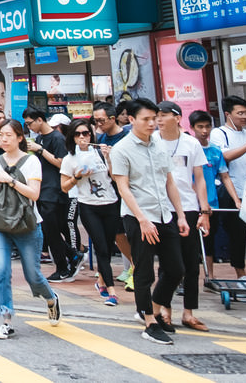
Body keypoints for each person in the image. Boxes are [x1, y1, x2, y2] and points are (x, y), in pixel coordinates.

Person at [110, 97, 189, 347]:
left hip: (164, 215)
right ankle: (149, 322)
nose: (152, 123)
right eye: (146, 119)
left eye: (154, 118)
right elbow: (123, 188)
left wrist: (181, 215)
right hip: (137, 217)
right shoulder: (121, 149)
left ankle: (153, 309)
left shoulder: (158, 145)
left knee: (176, 269)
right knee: (144, 272)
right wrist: (143, 220)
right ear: (131, 120)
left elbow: (169, 182)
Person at [0, 118, 62, 339]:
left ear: (20, 137)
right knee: (1, 271)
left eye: (9, 135)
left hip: (27, 224)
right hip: (0, 224)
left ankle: (50, 298)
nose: (4, 139)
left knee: (33, 275)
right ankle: (6, 319)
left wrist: (10, 181)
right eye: (1, 135)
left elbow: (34, 194)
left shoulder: (31, 162)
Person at [155, 101, 211, 330]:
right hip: (162, 210)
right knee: (168, 264)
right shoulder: (152, 142)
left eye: (163, 115)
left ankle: (188, 313)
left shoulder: (191, 144)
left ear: (177, 118)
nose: (158, 119)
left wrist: (204, 210)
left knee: (191, 264)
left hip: (187, 207)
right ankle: (164, 310)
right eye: (156, 115)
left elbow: (199, 178)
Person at [62, 119, 121, 307]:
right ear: (72, 137)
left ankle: (101, 282)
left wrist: (110, 157)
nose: (82, 137)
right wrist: (76, 177)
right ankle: (111, 292)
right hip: (88, 205)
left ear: (91, 135)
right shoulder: (69, 158)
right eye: (77, 134)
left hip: (110, 203)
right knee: (101, 248)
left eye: (85, 133)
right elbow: (64, 187)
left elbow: (114, 178)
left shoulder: (100, 153)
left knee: (108, 247)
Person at [22, 107, 75, 282]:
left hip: (54, 191)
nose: (29, 127)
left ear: (39, 119)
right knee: (49, 230)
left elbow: (62, 164)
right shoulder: (39, 138)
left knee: (51, 230)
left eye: (30, 123)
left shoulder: (57, 138)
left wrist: (39, 149)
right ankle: (72, 255)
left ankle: (63, 266)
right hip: (42, 189)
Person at [210, 95, 246, 284]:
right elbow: (224, 157)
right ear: (228, 114)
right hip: (231, 193)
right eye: (240, 113)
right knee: (236, 235)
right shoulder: (219, 134)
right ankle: (241, 274)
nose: (244, 116)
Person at [191, 109, 238, 290]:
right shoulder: (190, 149)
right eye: (200, 127)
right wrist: (200, 202)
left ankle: (210, 277)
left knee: (209, 242)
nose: (204, 130)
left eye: (207, 126)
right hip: (193, 206)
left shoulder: (215, 152)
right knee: (192, 244)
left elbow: (225, 177)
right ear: (192, 128)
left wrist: (236, 200)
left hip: (213, 205)